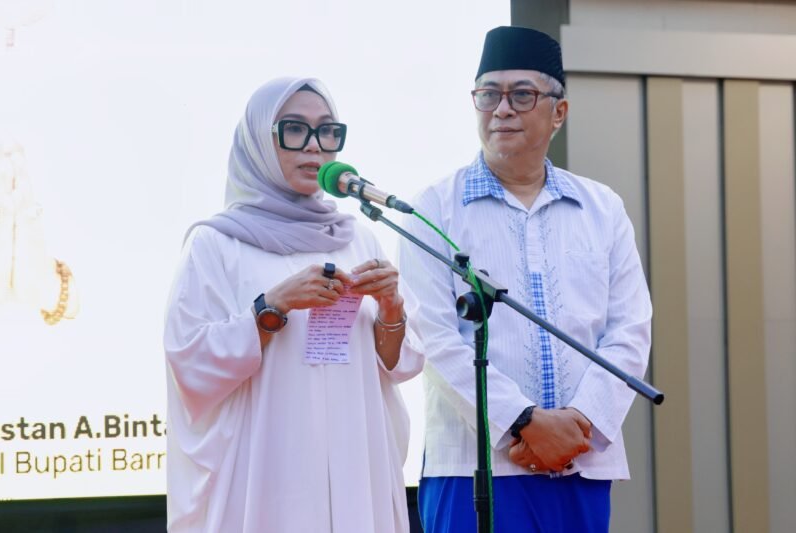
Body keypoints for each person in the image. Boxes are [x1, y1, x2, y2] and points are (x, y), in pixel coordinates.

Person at [399, 26, 652, 532]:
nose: (502, 109)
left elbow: (630, 330)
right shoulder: (433, 209)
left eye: (521, 95)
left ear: (559, 112)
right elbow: (435, 338)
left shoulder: (601, 208)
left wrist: (578, 425)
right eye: (488, 94)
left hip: (580, 460)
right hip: (474, 466)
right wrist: (524, 422)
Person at [163, 77, 424, 533]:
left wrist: (391, 308)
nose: (315, 146)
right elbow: (190, 360)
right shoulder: (216, 244)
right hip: (267, 464)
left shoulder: (358, 237)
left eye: (327, 131)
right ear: (259, 142)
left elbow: (397, 365)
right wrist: (274, 305)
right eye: (295, 129)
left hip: (354, 457)